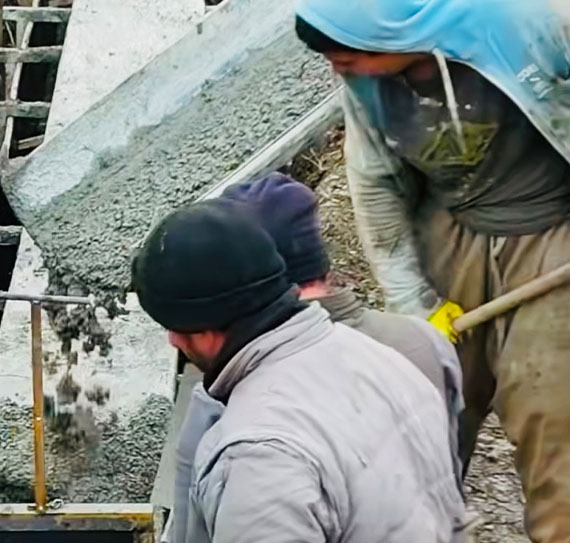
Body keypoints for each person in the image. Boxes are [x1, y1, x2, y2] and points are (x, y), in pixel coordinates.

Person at [294, 0, 570, 539]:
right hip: (448, 237)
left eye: (344, 55)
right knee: (423, 409)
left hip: (552, 237)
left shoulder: (534, 26)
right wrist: (414, 302)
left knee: (553, 420)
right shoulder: (367, 84)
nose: (335, 68)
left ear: (394, 31)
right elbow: (375, 187)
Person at [133, 198, 464, 542]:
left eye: (177, 326)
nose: (172, 340)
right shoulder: (386, 362)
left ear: (209, 324)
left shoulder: (259, 457)